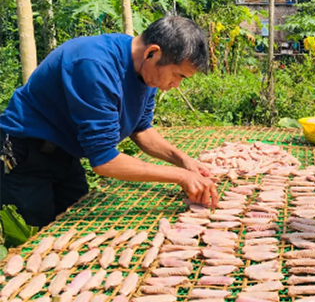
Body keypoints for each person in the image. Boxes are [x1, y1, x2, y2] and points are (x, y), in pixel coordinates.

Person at [0, 16, 218, 227]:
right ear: (153, 52)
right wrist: (180, 176)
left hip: (65, 154)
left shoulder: (145, 71)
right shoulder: (94, 65)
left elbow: (141, 129)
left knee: (74, 222)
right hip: (25, 156)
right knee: (33, 235)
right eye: (178, 75)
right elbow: (104, 160)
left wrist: (184, 161)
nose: (176, 84)